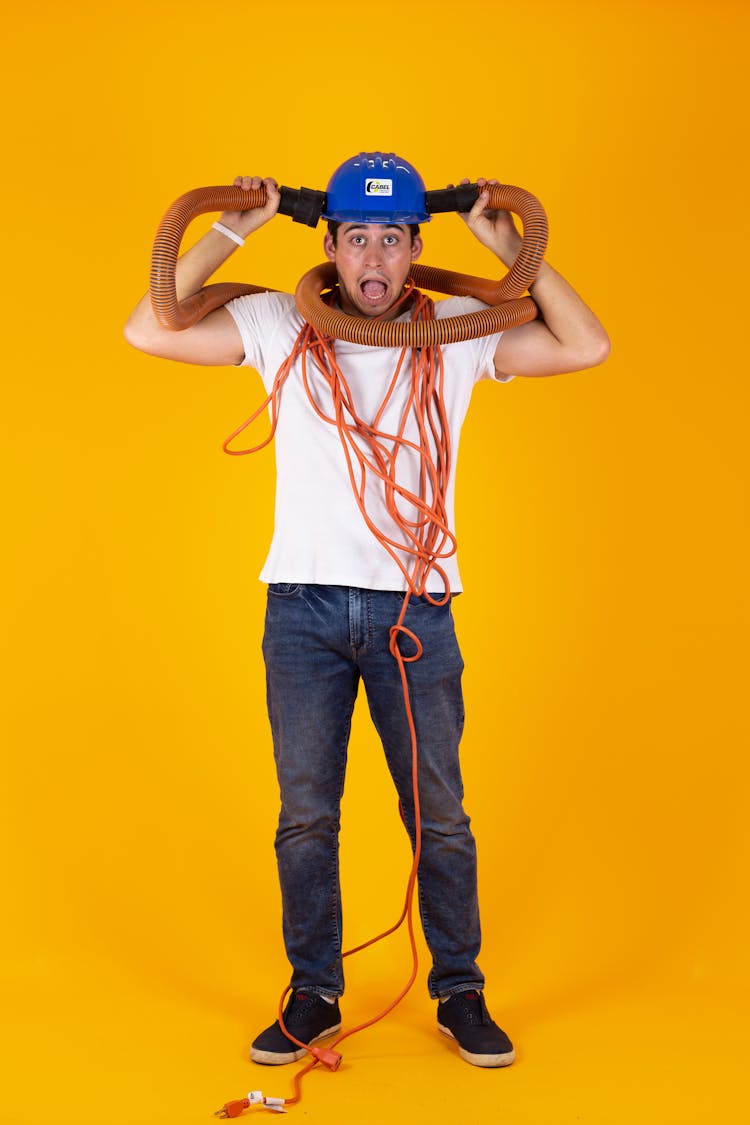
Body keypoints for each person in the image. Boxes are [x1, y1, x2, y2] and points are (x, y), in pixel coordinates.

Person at [125, 153, 609, 1070]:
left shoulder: (458, 331)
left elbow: (586, 345)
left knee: (440, 814)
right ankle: (312, 994)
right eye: (357, 237)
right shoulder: (275, 319)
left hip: (415, 610)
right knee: (306, 813)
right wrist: (235, 227)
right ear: (335, 248)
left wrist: (510, 248)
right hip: (301, 609)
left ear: (415, 245)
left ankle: (460, 992)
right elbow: (151, 327)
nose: (375, 253)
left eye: (393, 235)